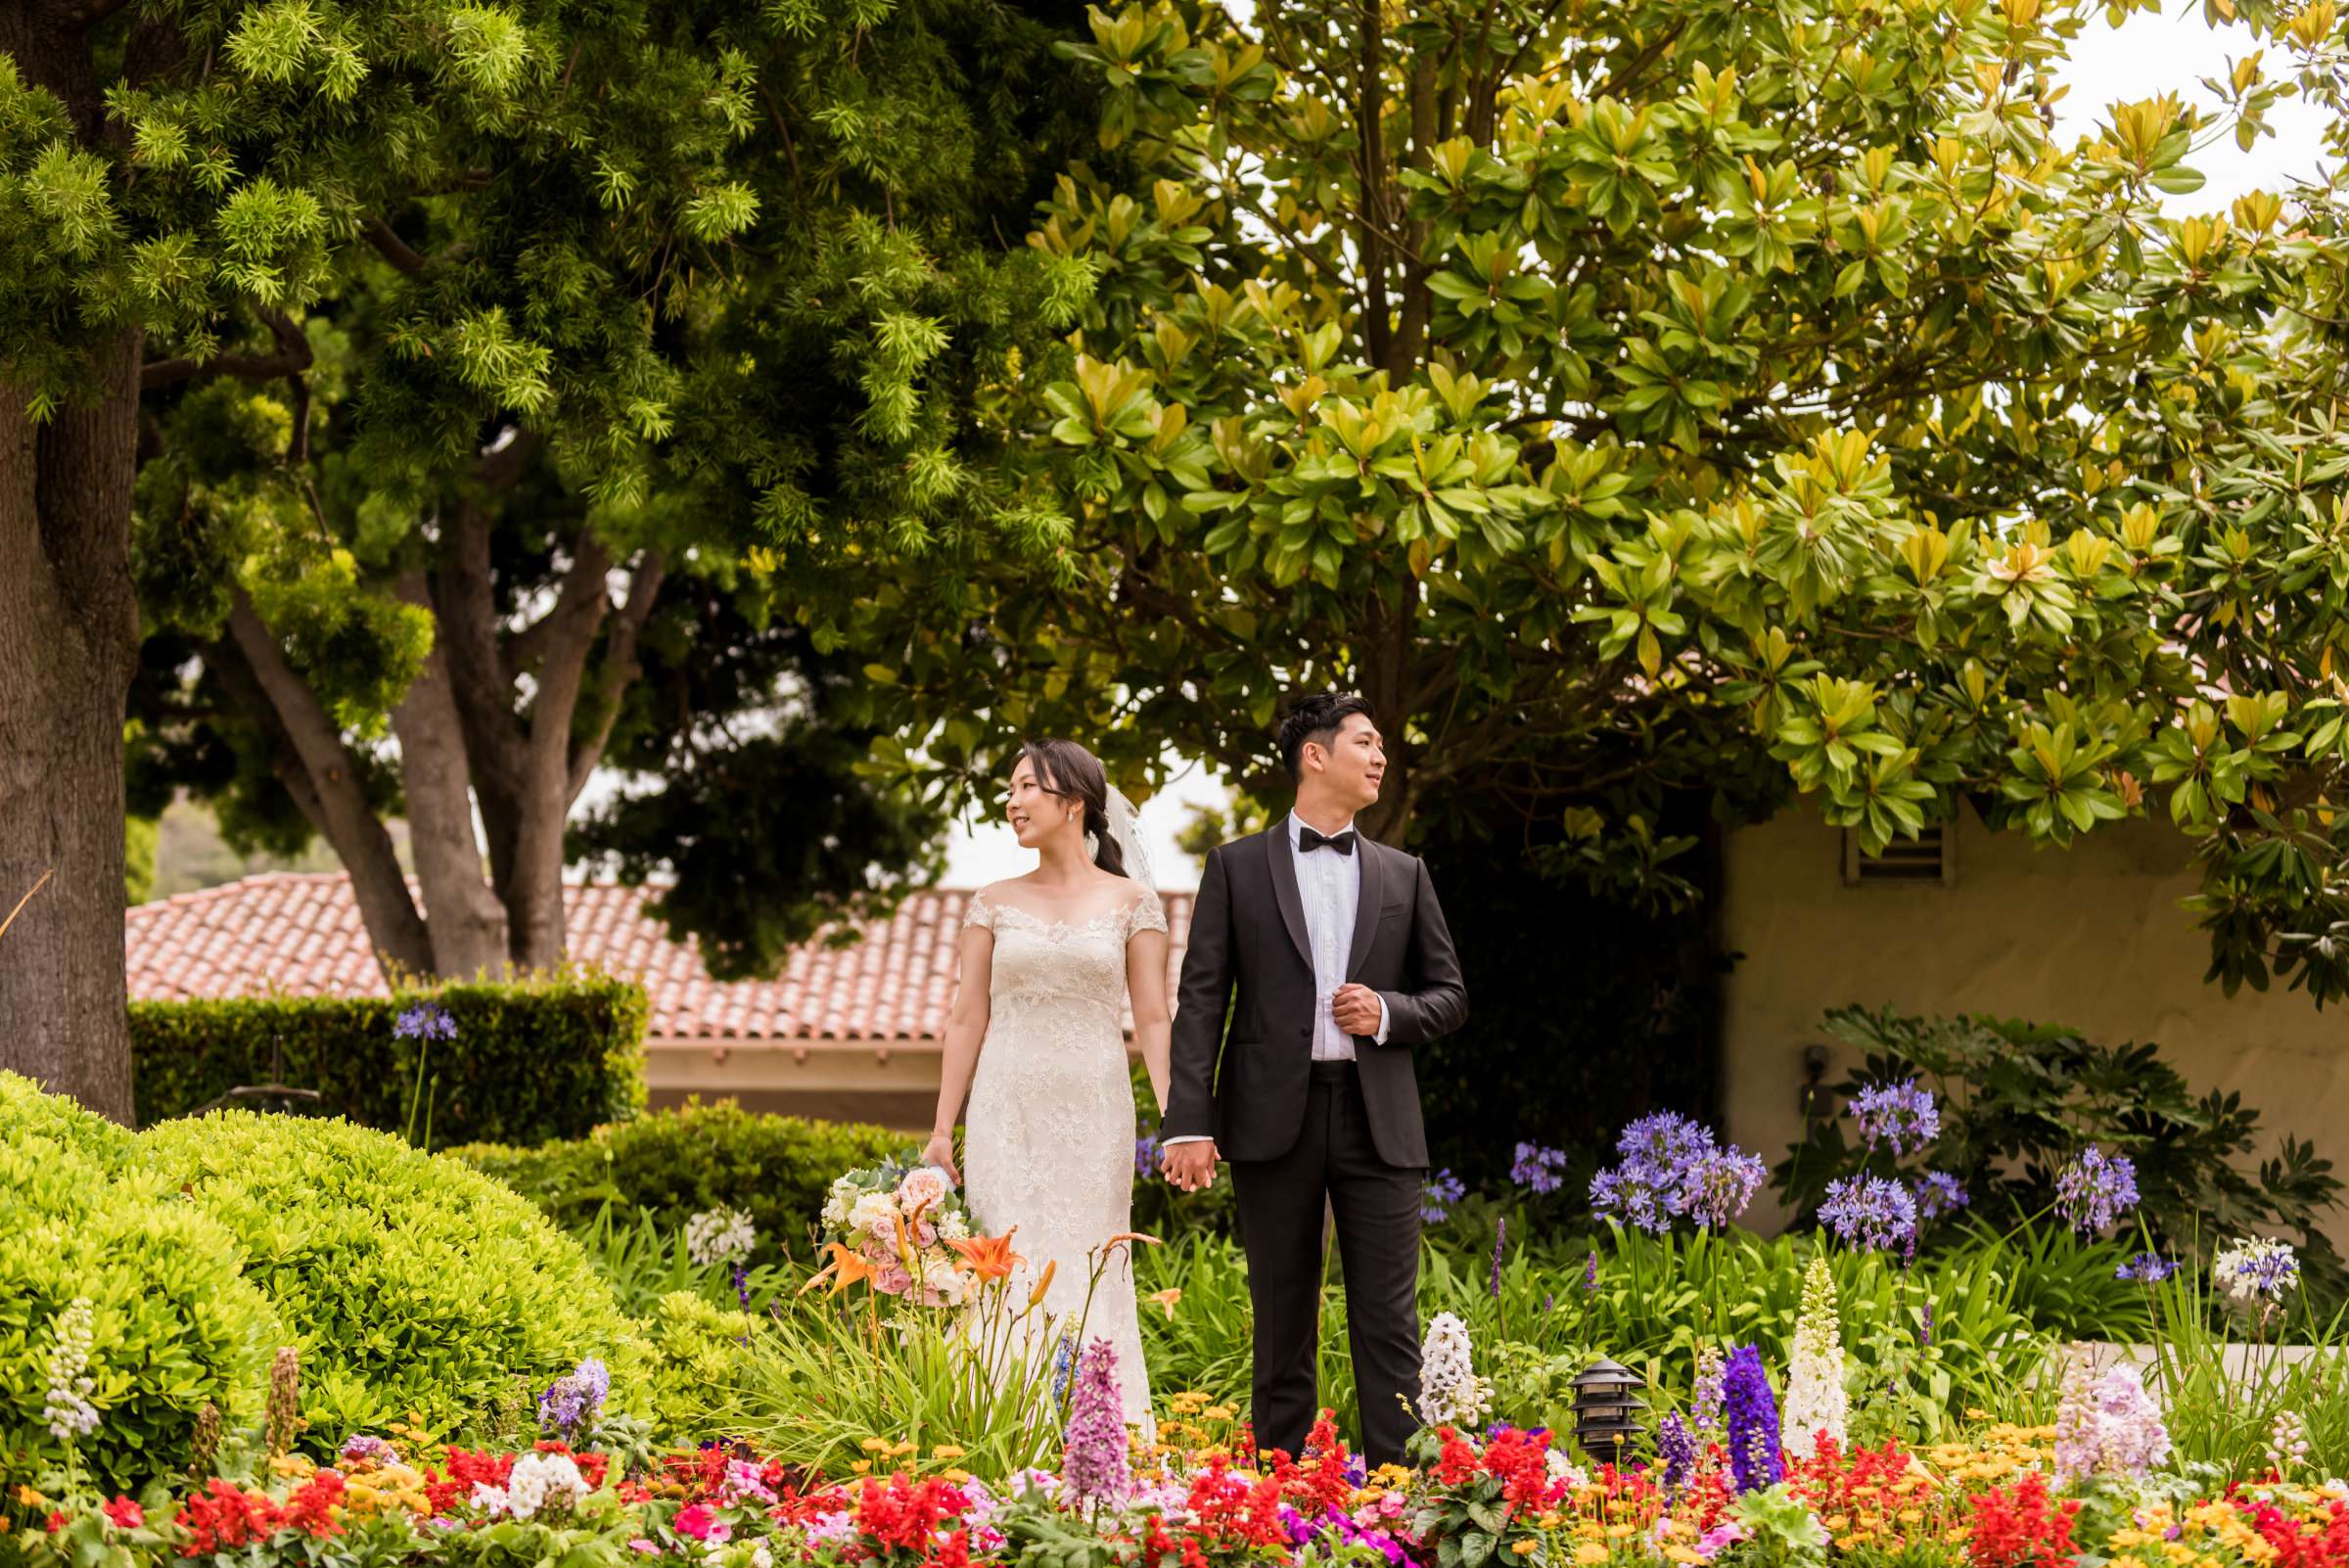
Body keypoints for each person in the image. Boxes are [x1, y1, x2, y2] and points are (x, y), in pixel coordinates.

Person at [1158, 693, 1468, 1467]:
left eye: (1382, 746)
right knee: (1282, 1314)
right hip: (1271, 1119)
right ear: (1315, 755)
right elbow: (1201, 1001)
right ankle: (1282, 1493)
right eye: (1366, 741)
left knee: (1389, 1321)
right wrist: (1188, 1122)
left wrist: (1388, 1012)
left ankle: (1399, 1500)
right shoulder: (1234, 867)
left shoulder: (1407, 873)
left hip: (1378, 1120)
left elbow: (1451, 996)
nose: (1380, 757)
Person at [923, 738, 1172, 1428]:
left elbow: (1152, 1017)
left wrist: (1182, 1119)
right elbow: (967, 1016)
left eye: (1028, 786)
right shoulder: (992, 902)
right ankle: (995, 1437)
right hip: (1006, 1110)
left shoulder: (1134, 902)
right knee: (1005, 1262)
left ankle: (1104, 1433)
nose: (1012, 801)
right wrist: (944, 1130)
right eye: (1011, 787)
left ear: (1075, 802)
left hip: (1096, 1111)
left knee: (1092, 1260)